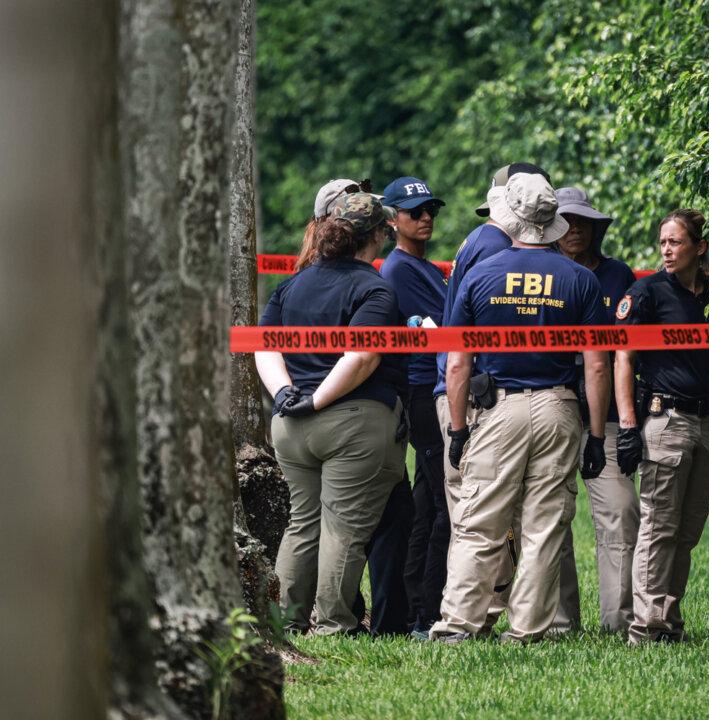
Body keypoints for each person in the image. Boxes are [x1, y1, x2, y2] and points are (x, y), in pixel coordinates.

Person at [429, 173, 610, 644]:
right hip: (560, 408)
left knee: (478, 522)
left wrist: (457, 429)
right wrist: (595, 434)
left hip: (498, 409)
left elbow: (456, 365)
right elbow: (596, 366)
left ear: (508, 216)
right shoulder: (582, 280)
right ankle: (526, 630)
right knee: (544, 525)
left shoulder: (479, 276)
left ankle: (457, 626)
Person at [613, 208, 709, 644]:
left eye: (675, 242)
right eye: (662, 241)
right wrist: (627, 426)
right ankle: (646, 626)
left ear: (699, 248)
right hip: (665, 420)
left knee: (687, 532)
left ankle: (668, 619)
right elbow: (622, 356)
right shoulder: (646, 294)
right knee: (659, 527)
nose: (665, 249)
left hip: (706, 421)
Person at [256, 191, 407, 635]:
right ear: (376, 237)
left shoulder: (291, 284)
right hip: (352, 423)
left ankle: (284, 620)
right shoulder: (374, 288)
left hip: (290, 426)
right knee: (344, 528)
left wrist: (286, 394)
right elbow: (361, 357)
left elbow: (264, 347)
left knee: (301, 524)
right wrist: (319, 400)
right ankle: (334, 624)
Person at [555, 186, 639, 633]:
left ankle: (620, 621)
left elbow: (626, 350)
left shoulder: (618, 274)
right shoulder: (543, 274)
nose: (574, 230)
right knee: (550, 515)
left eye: (583, 222)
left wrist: (625, 426)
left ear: (596, 229)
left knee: (621, 511)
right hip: (555, 408)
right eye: (566, 222)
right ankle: (560, 620)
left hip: (605, 415)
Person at [379, 175, 450, 639]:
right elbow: (440, 327)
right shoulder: (399, 269)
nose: (425, 218)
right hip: (423, 389)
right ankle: (425, 613)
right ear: (392, 220)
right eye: (414, 212)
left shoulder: (425, 266)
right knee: (443, 503)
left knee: (431, 502)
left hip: (435, 387)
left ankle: (419, 611)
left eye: (430, 211)